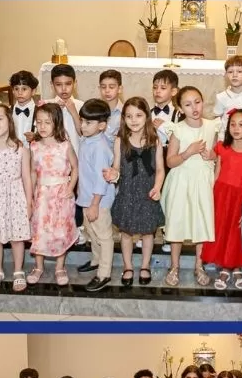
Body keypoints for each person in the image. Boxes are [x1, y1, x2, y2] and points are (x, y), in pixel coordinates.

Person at [160, 86, 222, 287]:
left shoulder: (213, 126)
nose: (194, 107)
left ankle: (199, 265)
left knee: (200, 223)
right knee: (177, 223)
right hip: (181, 181)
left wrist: (212, 155)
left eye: (197, 101)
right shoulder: (177, 129)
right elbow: (170, 161)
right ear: (180, 108)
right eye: (187, 104)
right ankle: (174, 266)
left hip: (203, 181)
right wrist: (188, 152)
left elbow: (219, 155)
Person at [203, 108, 242, 290]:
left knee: (237, 233)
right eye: (233, 124)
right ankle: (224, 267)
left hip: (241, 199)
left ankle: (236, 266)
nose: (236, 128)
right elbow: (216, 174)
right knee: (222, 231)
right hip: (221, 197)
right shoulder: (223, 148)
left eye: (241, 124)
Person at [108, 97, 165, 285]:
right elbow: (116, 167)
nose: (134, 120)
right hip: (127, 193)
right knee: (126, 233)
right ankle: (127, 266)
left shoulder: (154, 140)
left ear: (146, 116)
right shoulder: (120, 141)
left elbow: (159, 169)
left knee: (148, 232)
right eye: (129, 116)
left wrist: (157, 187)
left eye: (138, 115)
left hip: (147, 193)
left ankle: (146, 265)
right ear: (123, 118)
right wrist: (112, 174)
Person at [0, 101, 33, 292]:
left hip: (16, 197)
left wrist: (29, 202)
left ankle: (18, 271)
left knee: (17, 237)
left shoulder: (21, 149)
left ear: (9, 121)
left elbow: (27, 178)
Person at [28, 102, 78, 287]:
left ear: (56, 123)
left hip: (61, 194)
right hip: (42, 193)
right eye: (38, 122)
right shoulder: (34, 146)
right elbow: (33, 172)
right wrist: (31, 195)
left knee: (60, 230)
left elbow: (75, 167)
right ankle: (38, 266)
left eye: (47, 122)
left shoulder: (64, 145)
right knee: (40, 229)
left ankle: (60, 267)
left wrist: (71, 186)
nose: (42, 126)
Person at [76, 98, 116, 292]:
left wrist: (94, 204)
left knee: (104, 236)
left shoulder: (100, 147)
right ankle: (96, 259)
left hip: (98, 201)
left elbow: (102, 180)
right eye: (82, 121)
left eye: (88, 122)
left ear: (102, 125)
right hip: (86, 197)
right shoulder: (87, 139)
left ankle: (104, 273)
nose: (82, 126)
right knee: (91, 232)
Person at [47, 63, 83, 153]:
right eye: (58, 84)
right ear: (52, 85)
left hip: (77, 153)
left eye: (68, 84)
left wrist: (74, 113)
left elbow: (84, 134)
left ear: (75, 84)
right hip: (52, 157)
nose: (64, 88)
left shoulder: (82, 106)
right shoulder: (46, 106)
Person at [9, 69, 40, 142]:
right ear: (13, 91)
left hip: (32, 149)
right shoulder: (8, 110)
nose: (20, 92)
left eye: (24, 89)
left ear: (33, 91)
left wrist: (36, 136)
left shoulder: (39, 112)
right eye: (16, 89)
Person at [97, 69, 123, 145]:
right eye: (103, 87)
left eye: (111, 87)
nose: (107, 90)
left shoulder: (125, 112)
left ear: (120, 89)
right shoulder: (95, 110)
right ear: (99, 88)